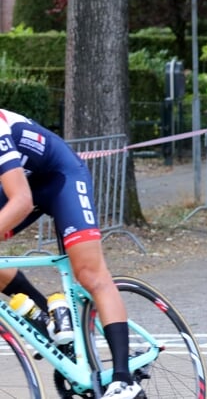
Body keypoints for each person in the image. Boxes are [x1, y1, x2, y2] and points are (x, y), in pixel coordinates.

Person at [0, 110, 143, 398]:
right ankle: (48, 317)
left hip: (59, 178)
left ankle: (123, 378)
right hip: (19, 183)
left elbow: (22, 201)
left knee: (90, 273)